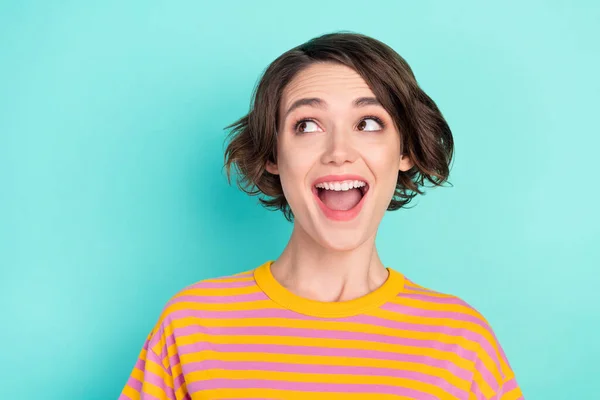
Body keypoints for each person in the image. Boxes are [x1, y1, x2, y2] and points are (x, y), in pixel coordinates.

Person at [119, 31, 523, 400]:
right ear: (273, 154)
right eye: (307, 125)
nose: (338, 152)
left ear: (405, 151)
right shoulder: (192, 326)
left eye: (368, 122)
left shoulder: (460, 342)